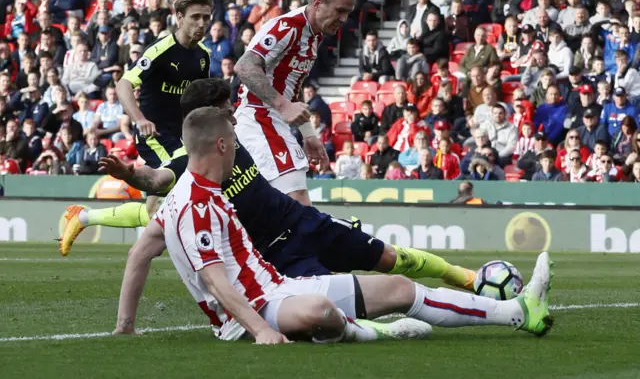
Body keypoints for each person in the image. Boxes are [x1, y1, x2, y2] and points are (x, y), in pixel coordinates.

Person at [62, 80, 496, 335]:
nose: (235, 111)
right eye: (227, 107)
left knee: (385, 255)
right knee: (345, 306)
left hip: (301, 220)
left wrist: (306, 135)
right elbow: (155, 183)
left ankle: (469, 279)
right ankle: (393, 328)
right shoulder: (190, 160)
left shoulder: (235, 136)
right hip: (279, 255)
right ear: (211, 117)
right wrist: (129, 176)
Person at [155, 107, 552, 343]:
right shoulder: (196, 202)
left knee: (399, 286)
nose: (238, 151)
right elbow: (215, 281)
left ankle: (518, 312)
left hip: (278, 288)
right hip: (259, 309)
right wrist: (259, 330)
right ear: (222, 145)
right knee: (320, 310)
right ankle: (371, 332)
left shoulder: (198, 193)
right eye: (234, 144)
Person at [233, 0, 357, 206]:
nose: (344, 19)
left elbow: (294, 87)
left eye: (348, 12)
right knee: (297, 196)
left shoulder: (315, 36)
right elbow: (244, 66)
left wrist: (308, 134)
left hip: (272, 119)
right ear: (318, 4)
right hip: (258, 115)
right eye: (340, 10)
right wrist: (283, 105)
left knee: (266, 204)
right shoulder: (287, 26)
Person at [114, 0, 212, 218]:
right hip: (154, 135)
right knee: (192, 171)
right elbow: (123, 84)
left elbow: (202, 99)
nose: (201, 24)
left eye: (206, 18)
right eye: (195, 17)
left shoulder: (203, 56)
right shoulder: (160, 50)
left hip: (182, 136)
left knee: (151, 213)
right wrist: (139, 119)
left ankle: (83, 217)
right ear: (179, 18)